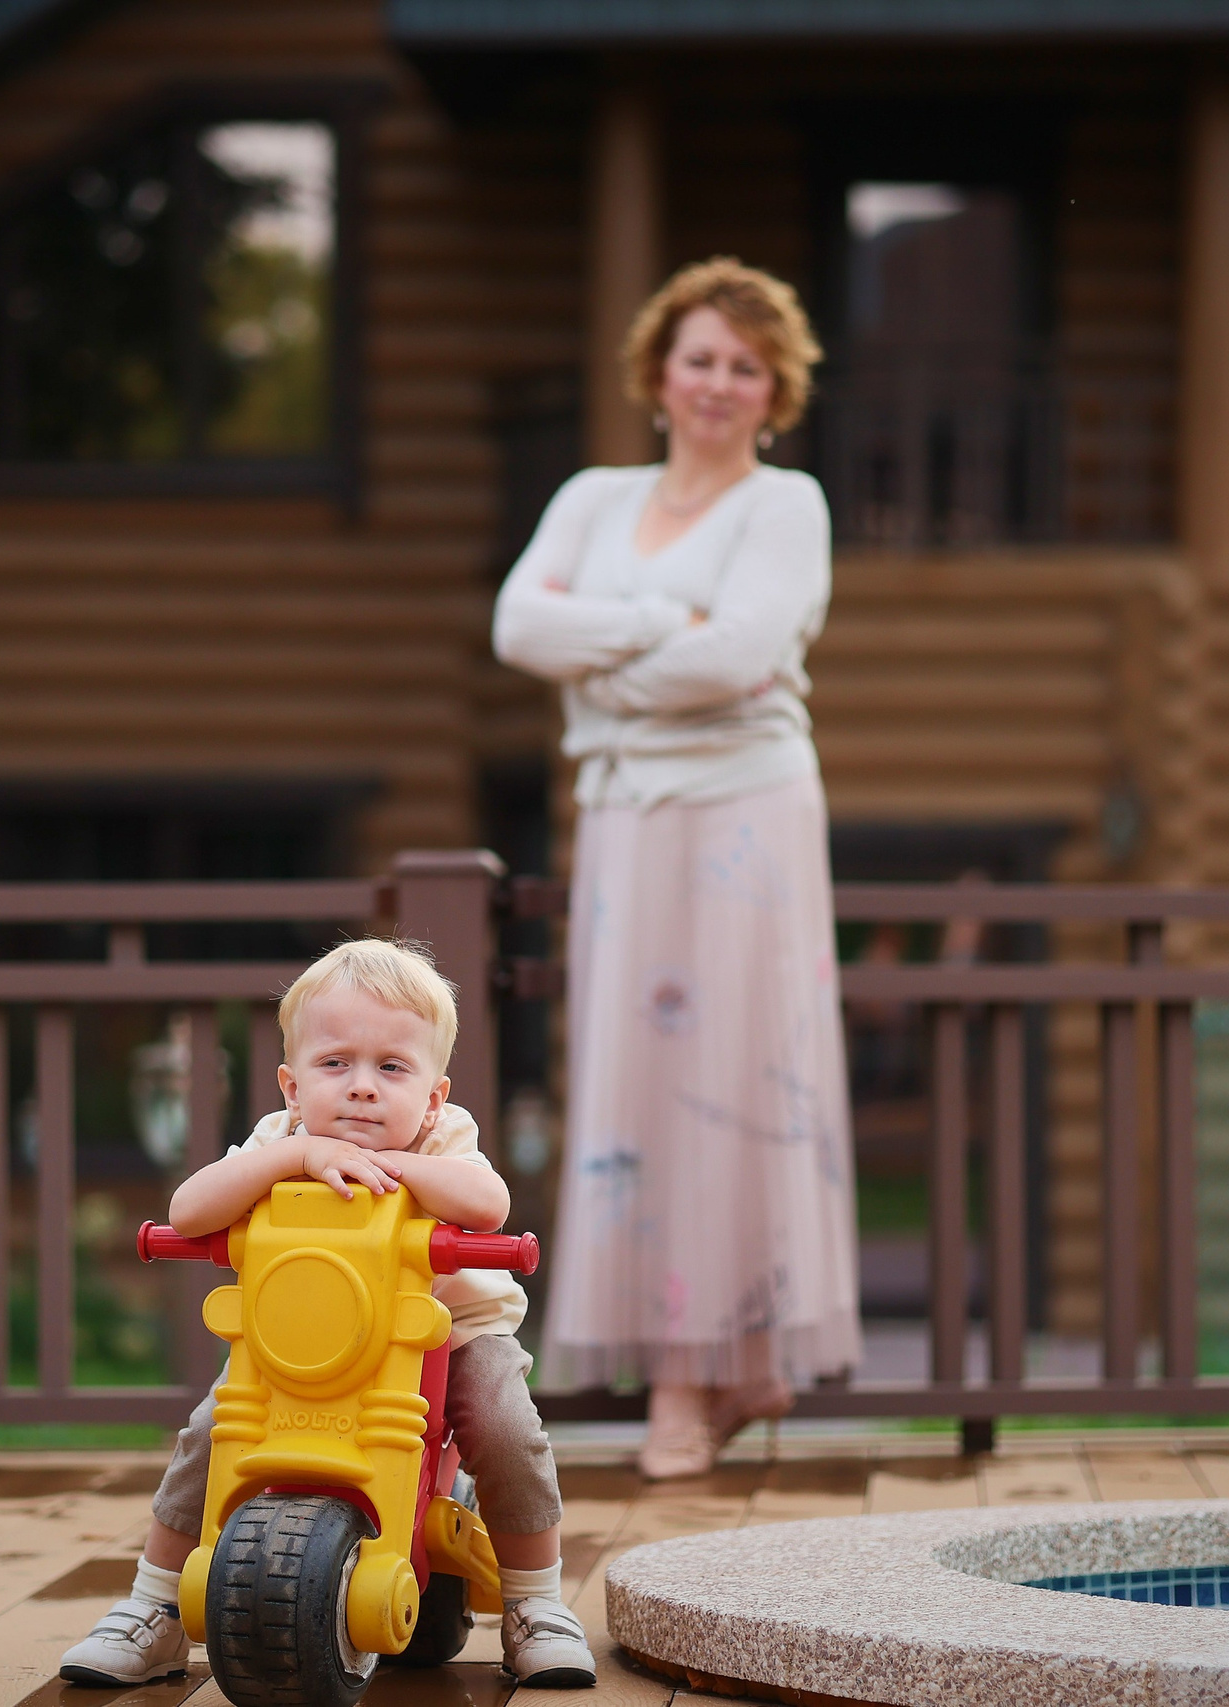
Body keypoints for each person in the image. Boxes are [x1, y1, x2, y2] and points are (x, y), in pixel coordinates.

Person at [492, 257, 856, 1479]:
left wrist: (603, 658)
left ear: (773, 392)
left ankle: (695, 1384)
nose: (717, 382)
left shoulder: (785, 507)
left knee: (732, 1082)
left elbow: (747, 656)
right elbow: (514, 627)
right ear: (659, 372)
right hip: (625, 821)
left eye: (744, 367)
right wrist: (665, 631)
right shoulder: (595, 496)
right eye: (700, 357)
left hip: (746, 815)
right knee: (635, 1082)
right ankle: (726, 1368)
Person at [58, 938, 596, 1689]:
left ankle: (536, 1604)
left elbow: (488, 1204)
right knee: (212, 1433)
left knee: (505, 1424)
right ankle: (154, 1608)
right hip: (300, 1345)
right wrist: (295, 1159)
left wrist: (398, 1171)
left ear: (434, 1096)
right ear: (291, 1084)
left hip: (448, 1331)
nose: (362, 1088)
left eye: (392, 1067)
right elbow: (188, 1207)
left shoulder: (443, 1138)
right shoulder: (281, 1139)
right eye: (335, 1063)